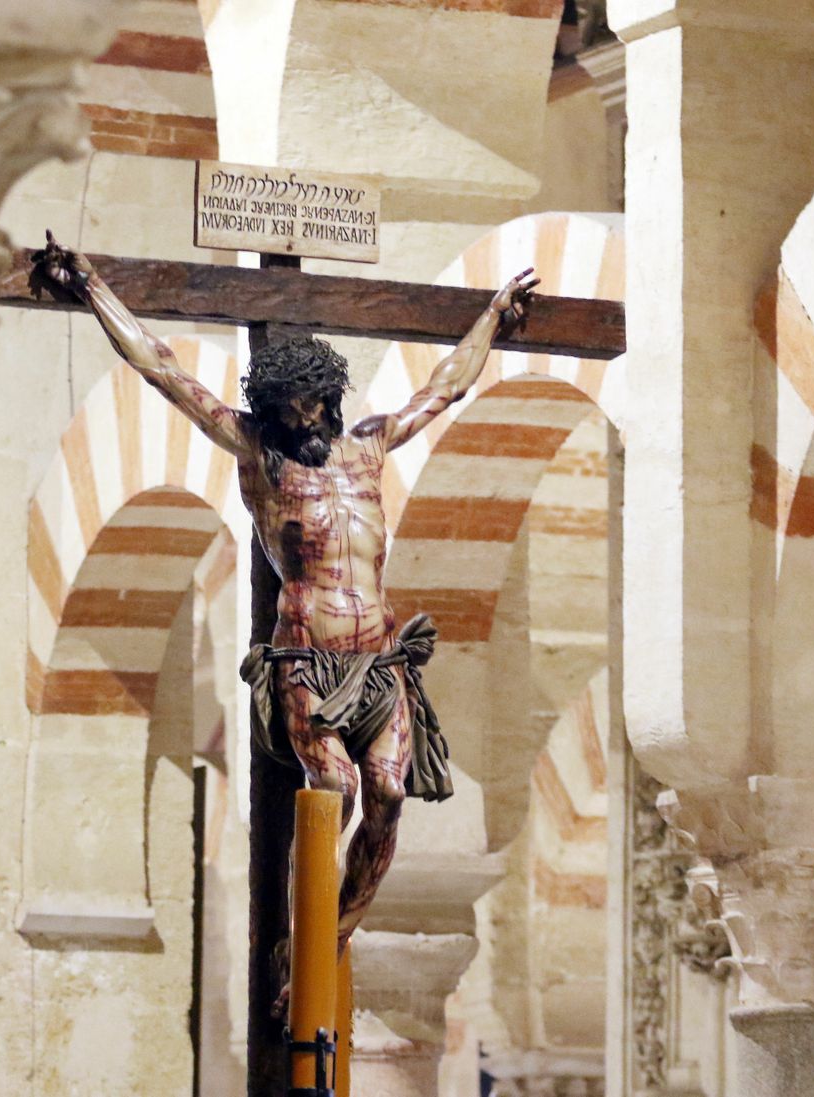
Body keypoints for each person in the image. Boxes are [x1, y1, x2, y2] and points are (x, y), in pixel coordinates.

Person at [37, 233, 537, 974]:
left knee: (389, 791)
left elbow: (444, 388)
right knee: (332, 785)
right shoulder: (259, 458)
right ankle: (301, 948)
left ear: (329, 400)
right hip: (307, 664)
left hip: (378, 666)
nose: (304, 423)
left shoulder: (368, 447)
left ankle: (328, 936)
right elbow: (164, 372)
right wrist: (92, 287)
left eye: (312, 407)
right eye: (289, 411)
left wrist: (492, 321)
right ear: (271, 410)